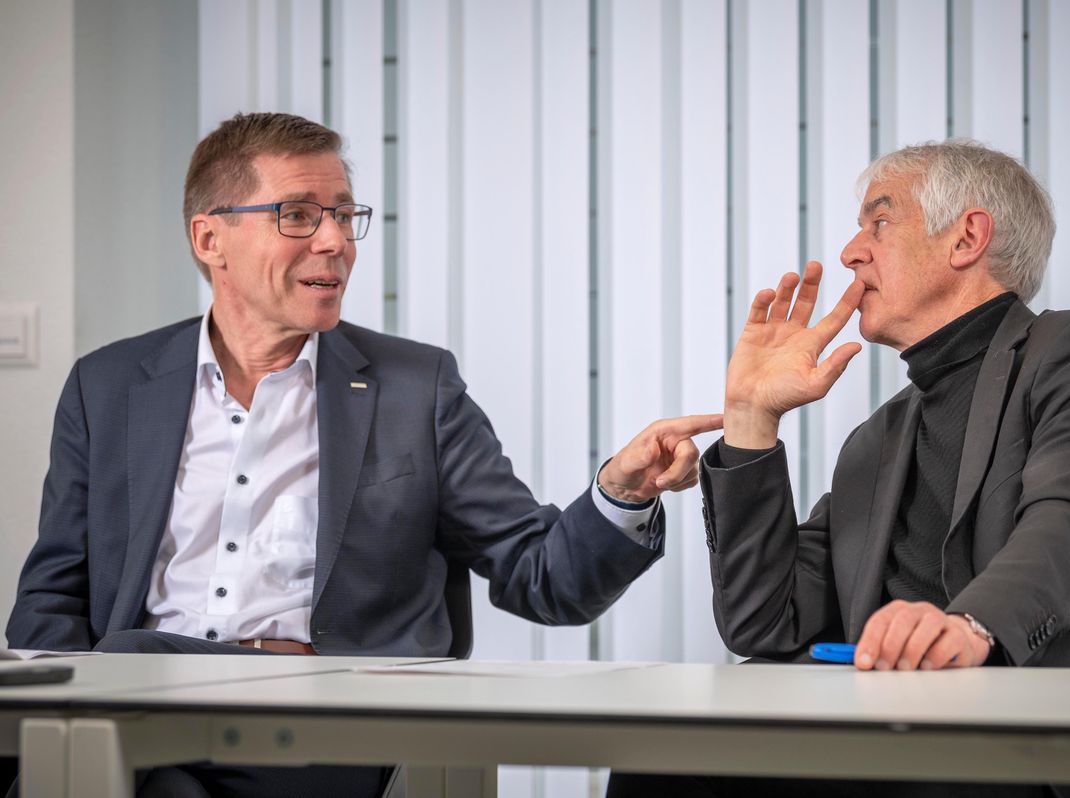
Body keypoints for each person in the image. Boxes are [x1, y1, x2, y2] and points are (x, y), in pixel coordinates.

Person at [5, 112, 720, 797]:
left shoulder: (416, 389)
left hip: (321, 727)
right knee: (152, 772)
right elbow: (51, 599)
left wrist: (622, 495)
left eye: (345, 216)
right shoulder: (108, 386)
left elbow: (542, 577)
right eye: (299, 215)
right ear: (209, 238)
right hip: (134, 725)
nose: (335, 241)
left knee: (127, 684)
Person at [607, 141, 1070, 798]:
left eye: (878, 222)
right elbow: (764, 625)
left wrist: (969, 627)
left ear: (967, 237)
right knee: (660, 756)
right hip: (898, 743)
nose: (852, 252)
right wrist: (749, 419)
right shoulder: (875, 441)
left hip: (1040, 752)